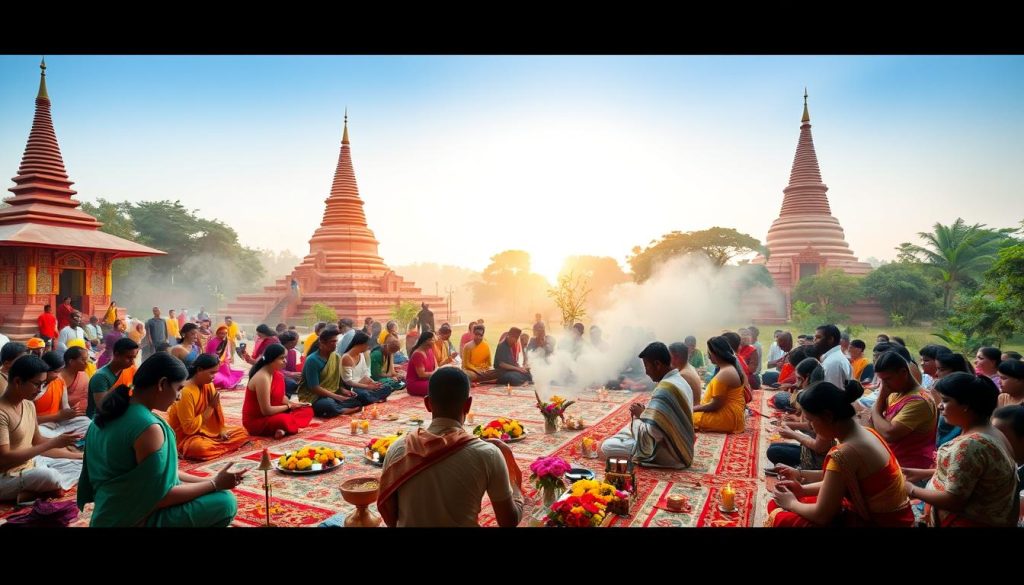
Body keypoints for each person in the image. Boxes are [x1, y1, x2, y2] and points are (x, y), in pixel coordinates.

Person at [77, 352, 243, 526]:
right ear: (162, 384)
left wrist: (212, 480)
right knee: (225, 502)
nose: (179, 396)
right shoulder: (149, 428)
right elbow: (160, 497)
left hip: (107, 513)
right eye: (179, 388)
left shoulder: (105, 415)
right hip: (133, 518)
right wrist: (214, 484)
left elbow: (159, 475)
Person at [377, 367, 524, 527]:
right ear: (468, 405)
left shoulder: (397, 449)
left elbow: (391, 517)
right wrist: (515, 488)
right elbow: (508, 521)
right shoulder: (488, 454)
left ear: (427, 403)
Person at [766, 380, 915, 527]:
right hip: (897, 517)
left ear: (828, 416)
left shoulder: (845, 453)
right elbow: (839, 481)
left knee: (781, 516)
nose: (810, 427)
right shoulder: (866, 432)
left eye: (811, 420)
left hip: (880, 522)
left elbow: (821, 515)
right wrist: (802, 488)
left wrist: (792, 503)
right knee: (779, 503)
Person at [902, 373, 1019, 527]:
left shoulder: (970, 445)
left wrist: (911, 489)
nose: (939, 406)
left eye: (945, 400)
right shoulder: (993, 432)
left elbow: (953, 501)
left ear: (966, 406)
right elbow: (976, 474)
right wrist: (923, 473)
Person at [0, 355, 83, 503]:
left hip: (31, 464)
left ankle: (30, 494)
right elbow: (5, 457)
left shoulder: (28, 405)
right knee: (50, 476)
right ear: (18, 381)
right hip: (5, 476)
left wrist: (78, 455)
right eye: (37, 384)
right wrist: (53, 443)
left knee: (81, 466)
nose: (40, 390)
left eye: (43, 385)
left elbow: (38, 442)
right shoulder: (1, 413)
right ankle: (38, 492)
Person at [600, 342, 694, 469]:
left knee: (607, 447)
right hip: (684, 448)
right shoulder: (680, 380)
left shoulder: (665, 388)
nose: (646, 372)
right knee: (627, 430)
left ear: (657, 364)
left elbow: (655, 433)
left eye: (647, 366)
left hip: (669, 453)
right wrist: (646, 414)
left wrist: (641, 415)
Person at [167, 353, 250, 461]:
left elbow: (217, 413)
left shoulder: (209, 384)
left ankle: (218, 446)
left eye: (216, 372)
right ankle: (215, 448)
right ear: (199, 370)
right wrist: (210, 407)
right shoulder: (186, 392)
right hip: (188, 437)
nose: (214, 376)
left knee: (242, 432)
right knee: (200, 449)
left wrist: (221, 430)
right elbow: (188, 428)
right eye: (211, 373)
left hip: (209, 433)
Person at [869, 351, 938, 469]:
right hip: (893, 464)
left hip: (912, 470)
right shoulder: (894, 393)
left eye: (887, 379)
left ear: (903, 372)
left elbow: (889, 433)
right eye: (882, 380)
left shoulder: (919, 401)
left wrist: (875, 409)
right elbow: (873, 423)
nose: (884, 385)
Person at [242, 344, 313, 438]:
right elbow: (266, 411)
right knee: (284, 420)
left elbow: (281, 397)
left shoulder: (277, 374)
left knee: (306, 409)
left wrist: (295, 405)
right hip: (257, 421)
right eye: (281, 358)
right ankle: (282, 427)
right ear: (271, 359)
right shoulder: (262, 377)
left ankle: (281, 429)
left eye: (285, 357)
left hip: (274, 413)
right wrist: (289, 406)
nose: (285, 361)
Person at [298, 328, 369, 417]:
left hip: (332, 394)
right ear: (322, 343)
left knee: (357, 400)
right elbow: (314, 388)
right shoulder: (312, 360)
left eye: (336, 341)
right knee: (328, 404)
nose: (335, 344)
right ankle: (338, 410)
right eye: (332, 342)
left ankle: (338, 409)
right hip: (314, 397)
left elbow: (337, 384)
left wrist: (344, 391)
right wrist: (337, 397)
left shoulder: (336, 357)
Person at [692, 336, 747, 433]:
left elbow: (716, 405)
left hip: (727, 416)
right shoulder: (728, 367)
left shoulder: (725, 372)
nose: (708, 356)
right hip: (732, 414)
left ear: (716, 353)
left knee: (686, 418)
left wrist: (693, 409)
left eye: (709, 352)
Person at [34, 351, 90, 439]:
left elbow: (65, 406)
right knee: (41, 433)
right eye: (56, 372)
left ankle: (60, 438)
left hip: (59, 423)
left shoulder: (59, 381)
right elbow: (28, 420)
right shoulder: (34, 388)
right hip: (40, 425)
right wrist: (57, 416)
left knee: (88, 424)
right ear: (45, 370)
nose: (58, 375)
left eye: (60, 371)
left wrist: (70, 412)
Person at [87, 338, 140, 419]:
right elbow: (104, 409)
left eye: (134, 358)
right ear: (116, 354)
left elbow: (134, 388)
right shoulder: (100, 377)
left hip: (123, 412)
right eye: (129, 357)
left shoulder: (131, 370)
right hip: (100, 420)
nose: (132, 362)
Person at [341, 331, 391, 403]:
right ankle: (374, 397)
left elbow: (364, 375)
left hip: (364, 386)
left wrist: (373, 383)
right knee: (363, 394)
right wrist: (368, 387)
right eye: (367, 345)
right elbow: (348, 382)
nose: (369, 347)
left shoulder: (361, 355)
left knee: (387, 387)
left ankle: (373, 397)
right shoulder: (346, 358)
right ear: (361, 344)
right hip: (354, 389)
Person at [205, 325, 245, 390]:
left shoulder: (226, 341)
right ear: (217, 333)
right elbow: (210, 354)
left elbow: (227, 353)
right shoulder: (213, 342)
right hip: (214, 363)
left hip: (224, 362)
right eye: (221, 333)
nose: (224, 335)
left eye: (225, 333)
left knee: (227, 375)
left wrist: (227, 359)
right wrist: (219, 361)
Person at [813, 324, 851, 388]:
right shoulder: (833, 358)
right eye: (815, 337)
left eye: (818, 337)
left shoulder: (833, 362)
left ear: (830, 339)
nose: (814, 340)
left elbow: (831, 393)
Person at [406, 331, 438, 397]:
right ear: (427, 341)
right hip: (415, 384)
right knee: (439, 387)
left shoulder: (430, 350)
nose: (435, 341)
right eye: (433, 340)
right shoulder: (418, 354)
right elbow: (422, 374)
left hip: (427, 380)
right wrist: (437, 373)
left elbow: (435, 367)